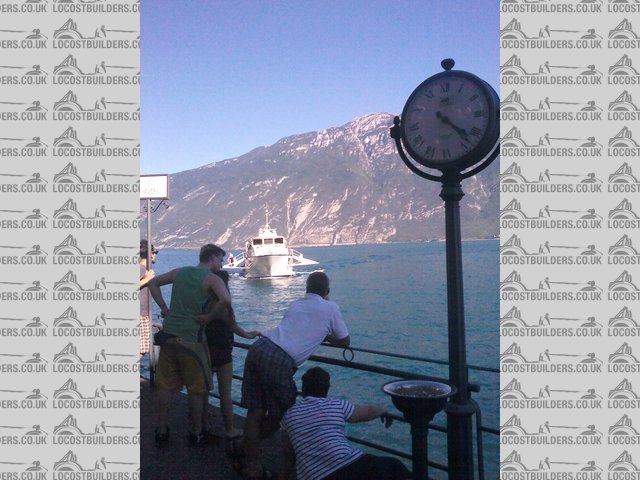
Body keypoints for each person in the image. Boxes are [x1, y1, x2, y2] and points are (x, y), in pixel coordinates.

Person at [239, 271, 350, 478]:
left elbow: (296, 329)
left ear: (306, 288)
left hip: (259, 347)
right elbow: (345, 341)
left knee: (255, 412)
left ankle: (250, 464)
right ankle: (286, 468)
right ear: (327, 292)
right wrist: (325, 336)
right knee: (288, 414)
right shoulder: (330, 307)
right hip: (279, 359)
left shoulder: (296, 304)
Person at [148, 243, 231, 447]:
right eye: (220, 259)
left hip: (168, 336)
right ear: (212, 258)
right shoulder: (211, 278)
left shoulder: (180, 272)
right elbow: (225, 300)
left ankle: (161, 429)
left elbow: (152, 283)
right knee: (196, 389)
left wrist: (164, 307)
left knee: (165, 387)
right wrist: (209, 317)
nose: (221, 263)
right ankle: (196, 433)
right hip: (192, 341)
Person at [280, 367, 410, 480]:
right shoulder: (336, 405)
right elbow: (366, 412)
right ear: (327, 389)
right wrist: (383, 409)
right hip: (346, 465)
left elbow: (288, 454)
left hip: (313, 476)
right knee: (395, 467)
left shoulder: (289, 415)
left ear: (303, 389)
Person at [201, 269, 260, 441]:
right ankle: (229, 428)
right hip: (222, 350)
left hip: (206, 348)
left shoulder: (205, 303)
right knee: (225, 392)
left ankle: (203, 423)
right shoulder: (222, 306)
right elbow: (233, 326)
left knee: (203, 389)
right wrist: (250, 335)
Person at [139, 240, 157, 361]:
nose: (155, 255)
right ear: (150, 254)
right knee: (140, 350)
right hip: (140, 314)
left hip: (142, 314)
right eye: (156, 252)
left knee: (142, 349)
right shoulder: (141, 268)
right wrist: (146, 280)